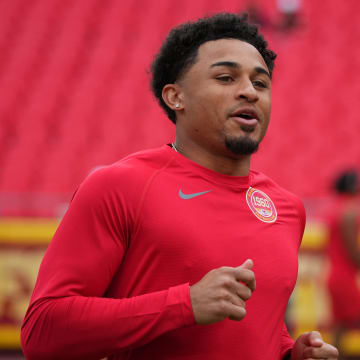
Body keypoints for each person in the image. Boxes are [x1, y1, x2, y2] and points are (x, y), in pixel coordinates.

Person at [21, 13, 338, 360]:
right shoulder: (119, 186)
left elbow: (257, 328)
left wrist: (291, 354)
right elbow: (43, 331)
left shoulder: (287, 208)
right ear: (175, 97)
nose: (249, 91)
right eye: (226, 77)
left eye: (261, 83)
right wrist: (183, 305)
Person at [327, 170, 360, 358]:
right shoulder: (349, 212)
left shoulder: (336, 208)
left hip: (335, 275)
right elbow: (352, 252)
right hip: (345, 277)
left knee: (341, 327)